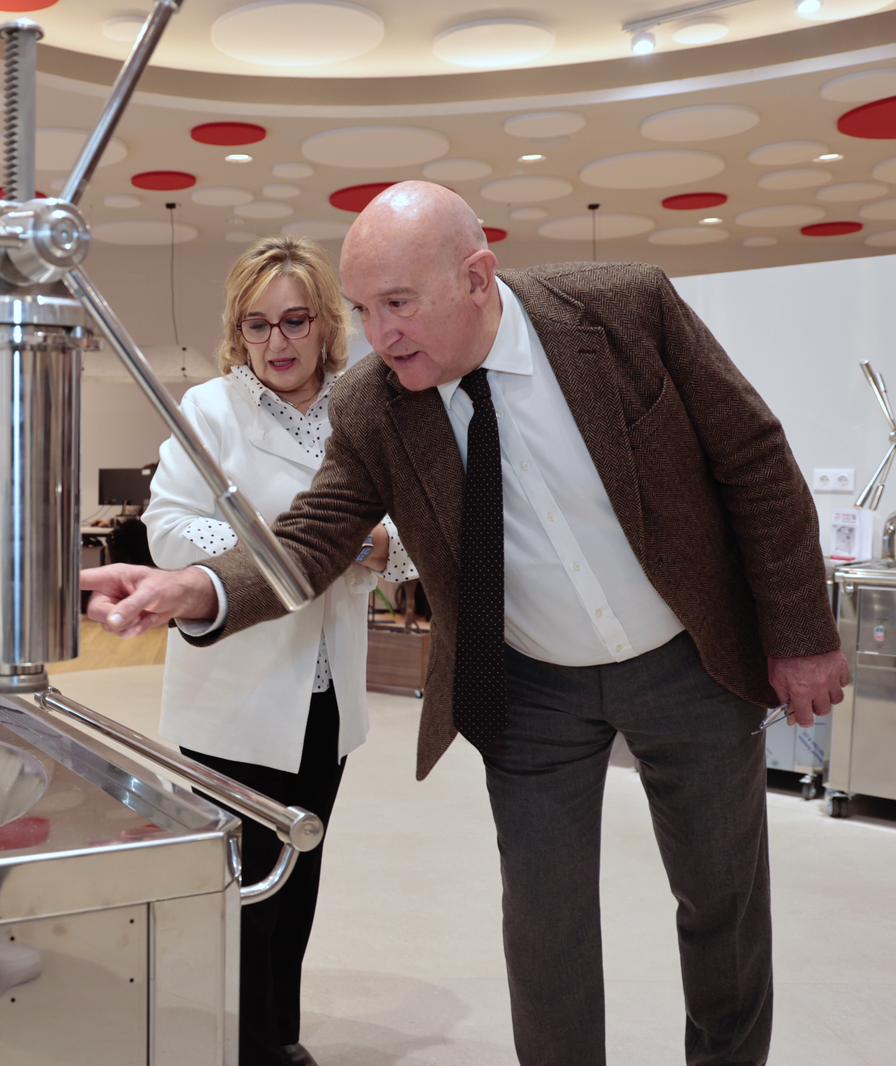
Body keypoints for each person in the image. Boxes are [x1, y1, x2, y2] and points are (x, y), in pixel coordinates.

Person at [80, 181, 847, 1066]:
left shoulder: (624, 310)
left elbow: (753, 455)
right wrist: (194, 588)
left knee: (722, 903)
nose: (380, 335)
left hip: (687, 660)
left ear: (477, 277)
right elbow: (312, 537)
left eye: (399, 304)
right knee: (545, 922)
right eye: (363, 310)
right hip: (530, 687)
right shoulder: (374, 404)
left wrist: (801, 634)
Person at [144, 236, 415, 1066]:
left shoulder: (364, 408)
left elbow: (405, 541)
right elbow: (167, 529)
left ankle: (280, 1037)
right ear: (238, 331)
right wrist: (277, 550)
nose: (277, 342)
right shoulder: (211, 410)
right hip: (236, 690)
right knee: (244, 886)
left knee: (299, 872)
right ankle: (245, 1046)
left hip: (326, 690)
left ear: (326, 323)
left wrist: (363, 545)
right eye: (257, 325)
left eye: (295, 320)